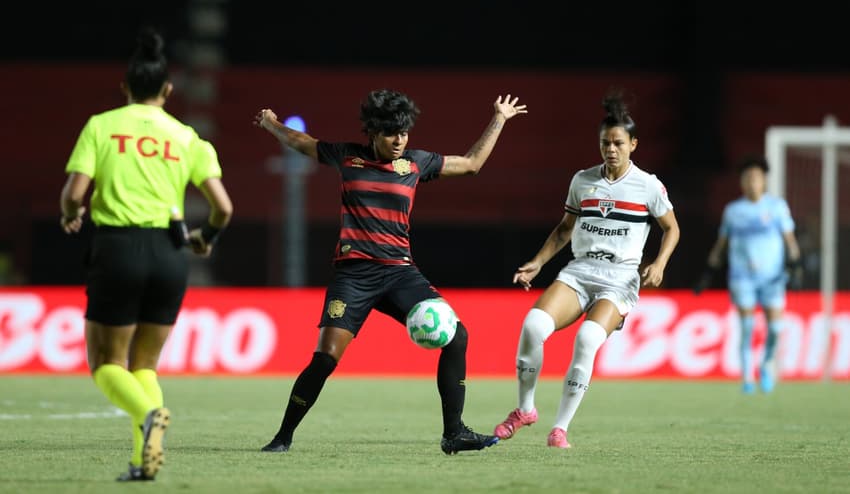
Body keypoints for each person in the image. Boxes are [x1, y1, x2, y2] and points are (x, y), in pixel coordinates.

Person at [253, 89, 527, 455]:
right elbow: (301, 142)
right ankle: (283, 436)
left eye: (404, 133)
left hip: (400, 273)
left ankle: (454, 433)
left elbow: (472, 163)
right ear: (373, 133)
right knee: (325, 358)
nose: (399, 141)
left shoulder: (415, 163)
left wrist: (499, 119)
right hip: (353, 276)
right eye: (391, 134)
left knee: (457, 336)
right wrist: (272, 124)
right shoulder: (347, 156)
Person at [60, 28, 233, 481]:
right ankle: (143, 461)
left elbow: (74, 192)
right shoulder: (186, 136)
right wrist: (207, 238)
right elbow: (224, 207)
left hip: (118, 248)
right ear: (167, 90)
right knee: (145, 365)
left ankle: (147, 416)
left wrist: (70, 214)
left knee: (106, 364)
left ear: (125, 88)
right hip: (171, 253)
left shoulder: (102, 125)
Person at [493, 89, 679, 449]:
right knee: (533, 325)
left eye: (618, 143)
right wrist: (538, 261)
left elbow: (672, 228)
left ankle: (560, 427)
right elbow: (565, 229)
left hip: (619, 280)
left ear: (633, 144)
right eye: (605, 143)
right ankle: (525, 410)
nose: (611, 149)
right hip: (580, 272)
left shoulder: (648, 185)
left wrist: (659, 263)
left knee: (587, 339)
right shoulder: (583, 181)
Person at [696, 155, 801, 394]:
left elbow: (790, 240)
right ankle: (746, 378)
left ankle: (765, 365)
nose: (752, 182)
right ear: (742, 183)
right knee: (747, 326)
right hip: (742, 277)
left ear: (764, 181)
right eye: (747, 178)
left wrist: (795, 266)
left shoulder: (777, 207)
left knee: (775, 329)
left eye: (756, 177)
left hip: (773, 278)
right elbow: (721, 244)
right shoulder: (733, 211)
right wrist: (708, 272)